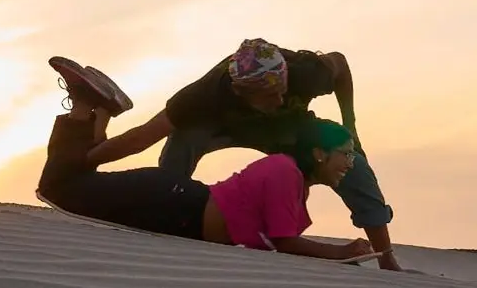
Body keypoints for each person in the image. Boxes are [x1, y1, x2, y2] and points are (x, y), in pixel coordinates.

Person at [80, 38, 403, 271]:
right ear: (239, 92)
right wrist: (85, 162)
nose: (278, 100)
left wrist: (351, 126)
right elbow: (143, 136)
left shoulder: (304, 72)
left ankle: (386, 258)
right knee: (185, 138)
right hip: (228, 127)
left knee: (352, 162)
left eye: (282, 92)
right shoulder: (202, 97)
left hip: (290, 129)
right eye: (269, 96)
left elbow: (340, 64)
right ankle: (172, 207)